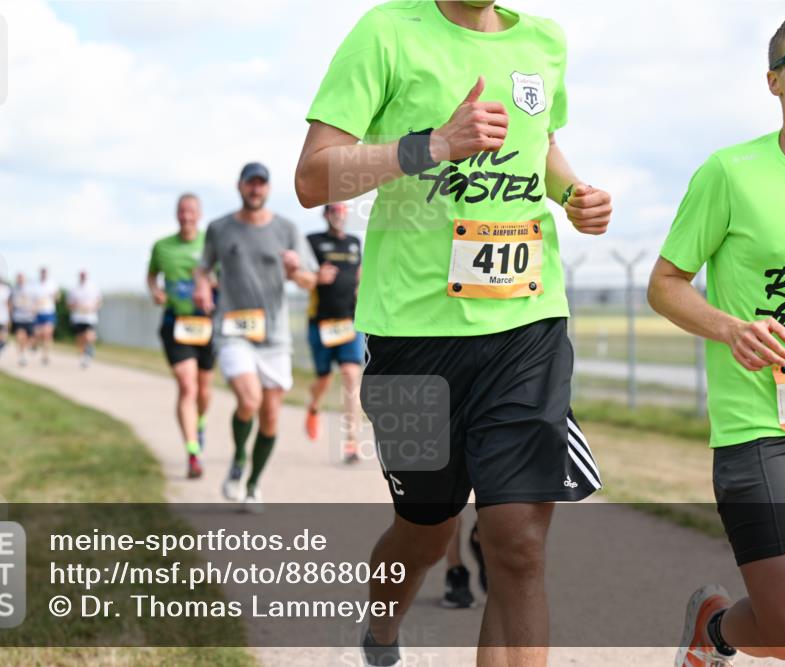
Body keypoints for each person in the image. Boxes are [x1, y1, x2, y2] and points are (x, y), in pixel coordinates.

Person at [296, 2, 611, 665]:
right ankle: (381, 627)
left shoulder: (545, 41)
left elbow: (541, 140)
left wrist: (573, 190)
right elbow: (312, 176)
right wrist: (433, 145)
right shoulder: (386, 32)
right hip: (413, 340)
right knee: (426, 529)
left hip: (526, 326)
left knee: (517, 545)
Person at [648, 6, 785, 666]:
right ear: (775, 81)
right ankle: (713, 629)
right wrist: (728, 327)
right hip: (764, 429)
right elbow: (665, 283)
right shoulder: (729, 173)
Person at [194, 162, 318, 511]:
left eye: (261, 184)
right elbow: (203, 268)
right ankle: (237, 461)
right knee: (249, 400)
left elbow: (310, 281)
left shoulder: (287, 229)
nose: (255, 189)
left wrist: (296, 271)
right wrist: (203, 288)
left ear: (268, 188)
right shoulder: (219, 229)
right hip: (232, 329)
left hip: (275, 336)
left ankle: (252, 484)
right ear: (240, 186)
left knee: (271, 415)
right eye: (250, 183)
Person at [148, 193, 216, 479]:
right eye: (182, 211)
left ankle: (199, 423)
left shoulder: (210, 244)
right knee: (187, 386)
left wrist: (211, 288)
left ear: (199, 214)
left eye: (191, 211)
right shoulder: (162, 247)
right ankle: (192, 453)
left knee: (203, 390)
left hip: (206, 324)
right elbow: (152, 276)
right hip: (176, 324)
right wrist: (155, 291)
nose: (186, 216)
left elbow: (222, 278)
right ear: (177, 214)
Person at [304, 202, 364, 463]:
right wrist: (316, 276)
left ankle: (352, 443)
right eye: (333, 211)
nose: (339, 215)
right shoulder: (312, 241)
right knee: (324, 380)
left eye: (342, 211)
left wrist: (361, 289)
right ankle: (314, 405)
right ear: (325, 214)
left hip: (349, 322)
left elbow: (360, 274)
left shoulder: (354, 242)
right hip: (321, 323)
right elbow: (300, 275)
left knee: (351, 375)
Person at [68, 270, 102, 369]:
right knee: (80, 338)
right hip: (78, 317)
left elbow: (99, 301)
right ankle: (83, 356)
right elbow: (69, 303)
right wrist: (77, 306)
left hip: (89, 317)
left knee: (89, 335)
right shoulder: (74, 289)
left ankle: (89, 350)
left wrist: (93, 307)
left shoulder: (93, 287)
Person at [32, 267, 59, 365]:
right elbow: (31, 299)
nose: (43, 274)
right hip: (38, 313)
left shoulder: (52, 284)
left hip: (49, 312)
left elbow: (57, 297)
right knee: (38, 334)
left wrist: (54, 297)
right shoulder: (35, 284)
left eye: (45, 272)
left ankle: (45, 356)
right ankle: (34, 345)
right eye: (42, 272)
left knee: (47, 334)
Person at [10, 273, 36, 366]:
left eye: (22, 278)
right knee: (20, 336)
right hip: (18, 317)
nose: (20, 280)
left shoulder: (31, 289)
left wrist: (34, 310)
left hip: (29, 317)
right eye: (18, 278)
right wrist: (10, 315)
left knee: (29, 338)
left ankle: (25, 350)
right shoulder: (14, 289)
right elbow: (11, 303)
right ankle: (22, 355)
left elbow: (36, 301)